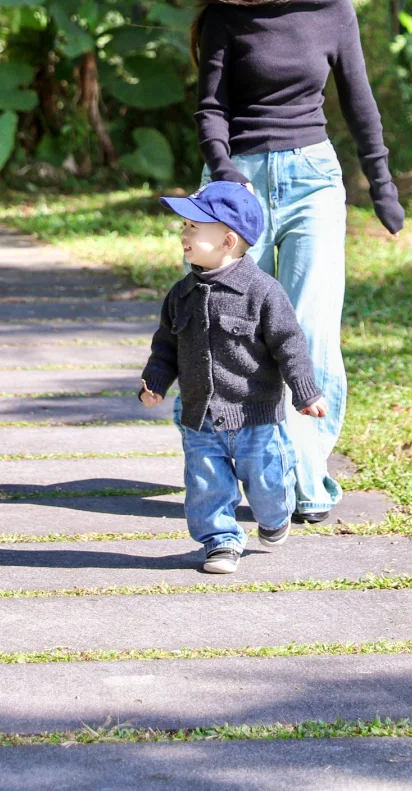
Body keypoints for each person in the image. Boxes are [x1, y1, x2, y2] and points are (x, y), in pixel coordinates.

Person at [186, 0, 404, 523]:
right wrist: (224, 172)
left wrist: (382, 183)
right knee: (230, 334)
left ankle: (304, 480)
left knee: (309, 334)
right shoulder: (228, 14)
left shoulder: (331, 6)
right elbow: (211, 109)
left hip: (313, 179)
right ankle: (246, 468)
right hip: (237, 183)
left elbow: (359, 105)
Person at [138, 181, 328, 575]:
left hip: (256, 417)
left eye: (193, 227)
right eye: (184, 227)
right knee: (207, 485)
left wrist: (305, 392)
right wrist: (155, 381)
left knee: (268, 485)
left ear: (227, 240)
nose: (183, 235)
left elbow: (289, 345)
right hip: (200, 416)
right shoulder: (181, 294)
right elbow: (165, 346)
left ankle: (275, 517)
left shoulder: (263, 292)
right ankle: (220, 542)